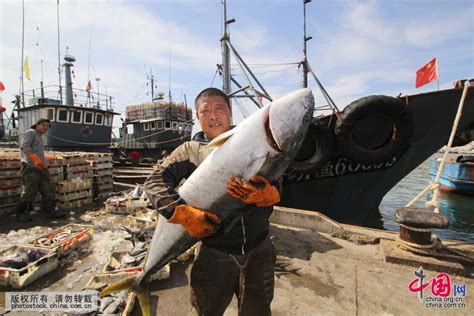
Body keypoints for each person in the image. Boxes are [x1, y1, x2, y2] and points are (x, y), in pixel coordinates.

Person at [144, 88, 280, 315]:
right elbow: (154, 181)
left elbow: (275, 174)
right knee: (206, 310)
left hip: (260, 249)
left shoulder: (253, 141)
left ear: (230, 113)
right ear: (197, 117)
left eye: (220, 109)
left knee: (258, 310)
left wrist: (273, 193)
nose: (214, 116)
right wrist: (181, 213)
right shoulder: (190, 150)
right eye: (205, 111)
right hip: (215, 253)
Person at [17, 118, 65, 222]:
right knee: (30, 190)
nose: (45, 128)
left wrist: (42, 162)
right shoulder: (30, 132)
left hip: (41, 167)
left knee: (48, 188)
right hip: (31, 167)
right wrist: (35, 160)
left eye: (47, 126)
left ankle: (51, 212)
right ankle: (20, 213)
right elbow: (24, 146)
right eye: (43, 125)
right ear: (37, 125)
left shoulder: (39, 136)